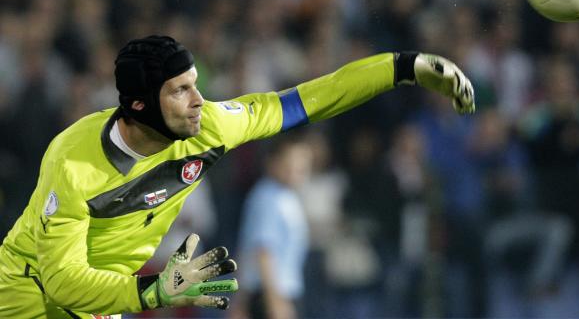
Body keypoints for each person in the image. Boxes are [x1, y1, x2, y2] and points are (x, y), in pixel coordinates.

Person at [0, 35, 475, 318]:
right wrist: (151, 291)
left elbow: (305, 101)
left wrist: (402, 67)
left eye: (195, 83)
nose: (199, 100)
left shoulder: (208, 127)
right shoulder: (74, 161)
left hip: (101, 298)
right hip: (26, 289)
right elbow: (59, 279)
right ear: (140, 105)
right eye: (181, 90)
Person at [232, 134, 313, 319]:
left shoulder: (286, 196)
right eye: (289, 163)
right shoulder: (268, 197)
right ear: (272, 162)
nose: (296, 170)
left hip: (276, 292)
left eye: (302, 165)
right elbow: (263, 251)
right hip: (269, 295)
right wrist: (275, 301)